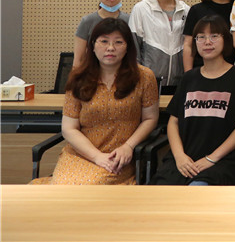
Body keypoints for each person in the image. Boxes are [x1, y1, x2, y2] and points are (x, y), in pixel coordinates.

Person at [33, 18, 159, 184]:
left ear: (128, 47)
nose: (110, 48)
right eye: (104, 41)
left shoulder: (144, 77)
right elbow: (69, 128)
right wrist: (97, 156)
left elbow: (150, 118)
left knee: (88, 185)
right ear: (92, 46)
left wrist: (128, 146)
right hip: (81, 154)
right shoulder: (78, 78)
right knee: (61, 187)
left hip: (118, 157)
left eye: (118, 42)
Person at [151, 17, 235, 186]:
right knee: (158, 194)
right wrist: (179, 156)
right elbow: (173, 122)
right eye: (201, 37)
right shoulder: (189, 78)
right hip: (184, 159)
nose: (207, 42)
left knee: (196, 191)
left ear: (225, 39)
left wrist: (211, 159)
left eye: (214, 36)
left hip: (221, 162)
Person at [129, 0, 190, 89]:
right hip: (149, 82)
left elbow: (189, 46)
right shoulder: (141, 9)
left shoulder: (185, 9)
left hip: (179, 82)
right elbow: (134, 49)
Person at [73, 0, 131, 68]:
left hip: (123, 72)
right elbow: (78, 59)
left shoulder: (130, 20)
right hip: (93, 72)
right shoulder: (87, 21)